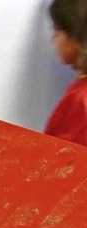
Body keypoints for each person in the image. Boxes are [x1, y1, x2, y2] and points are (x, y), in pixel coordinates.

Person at [45, 0, 87, 144]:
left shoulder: (80, 99)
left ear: (77, 38)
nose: (53, 39)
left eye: (56, 31)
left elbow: (63, 156)